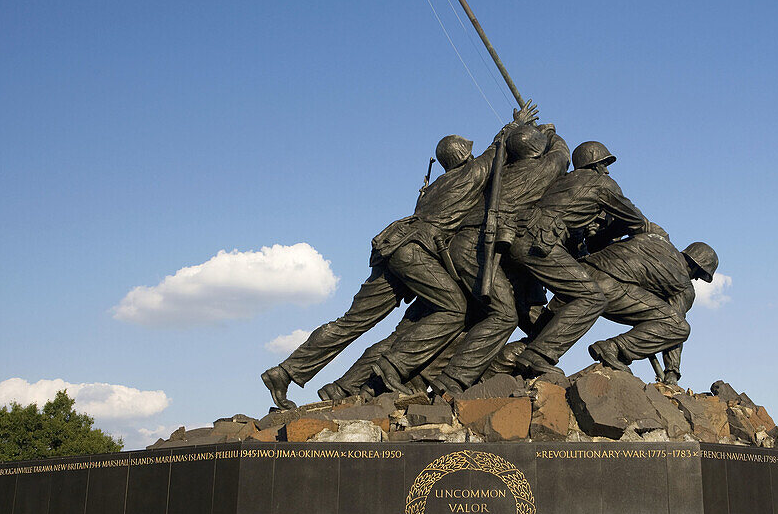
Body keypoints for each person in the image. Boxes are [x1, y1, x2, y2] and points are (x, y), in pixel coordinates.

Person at [260, 105, 536, 409]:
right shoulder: (470, 174)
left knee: (352, 322)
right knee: (455, 309)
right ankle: (394, 366)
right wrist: (515, 125)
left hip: (391, 245)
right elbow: (495, 153)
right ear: (465, 156)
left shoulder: (436, 187)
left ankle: (286, 371)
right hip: (415, 251)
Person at [428, 123, 570, 393]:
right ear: (537, 150)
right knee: (504, 315)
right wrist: (551, 133)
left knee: (501, 313)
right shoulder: (541, 170)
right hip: (476, 246)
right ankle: (451, 382)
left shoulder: (498, 175)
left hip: (467, 245)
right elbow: (562, 155)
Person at [504, 141, 649, 374]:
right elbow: (635, 221)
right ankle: (537, 355)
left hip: (520, 237)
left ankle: (501, 364)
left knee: (532, 312)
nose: (608, 170)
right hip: (540, 240)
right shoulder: (602, 183)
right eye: (605, 164)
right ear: (595, 165)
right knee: (592, 298)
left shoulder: (563, 181)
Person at [569, 236, 718, 385]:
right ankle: (613, 348)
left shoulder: (657, 240)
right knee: (680, 327)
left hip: (579, 271)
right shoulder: (683, 284)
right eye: (700, 275)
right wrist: (672, 372)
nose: (697, 279)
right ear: (696, 267)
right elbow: (674, 325)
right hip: (608, 287)